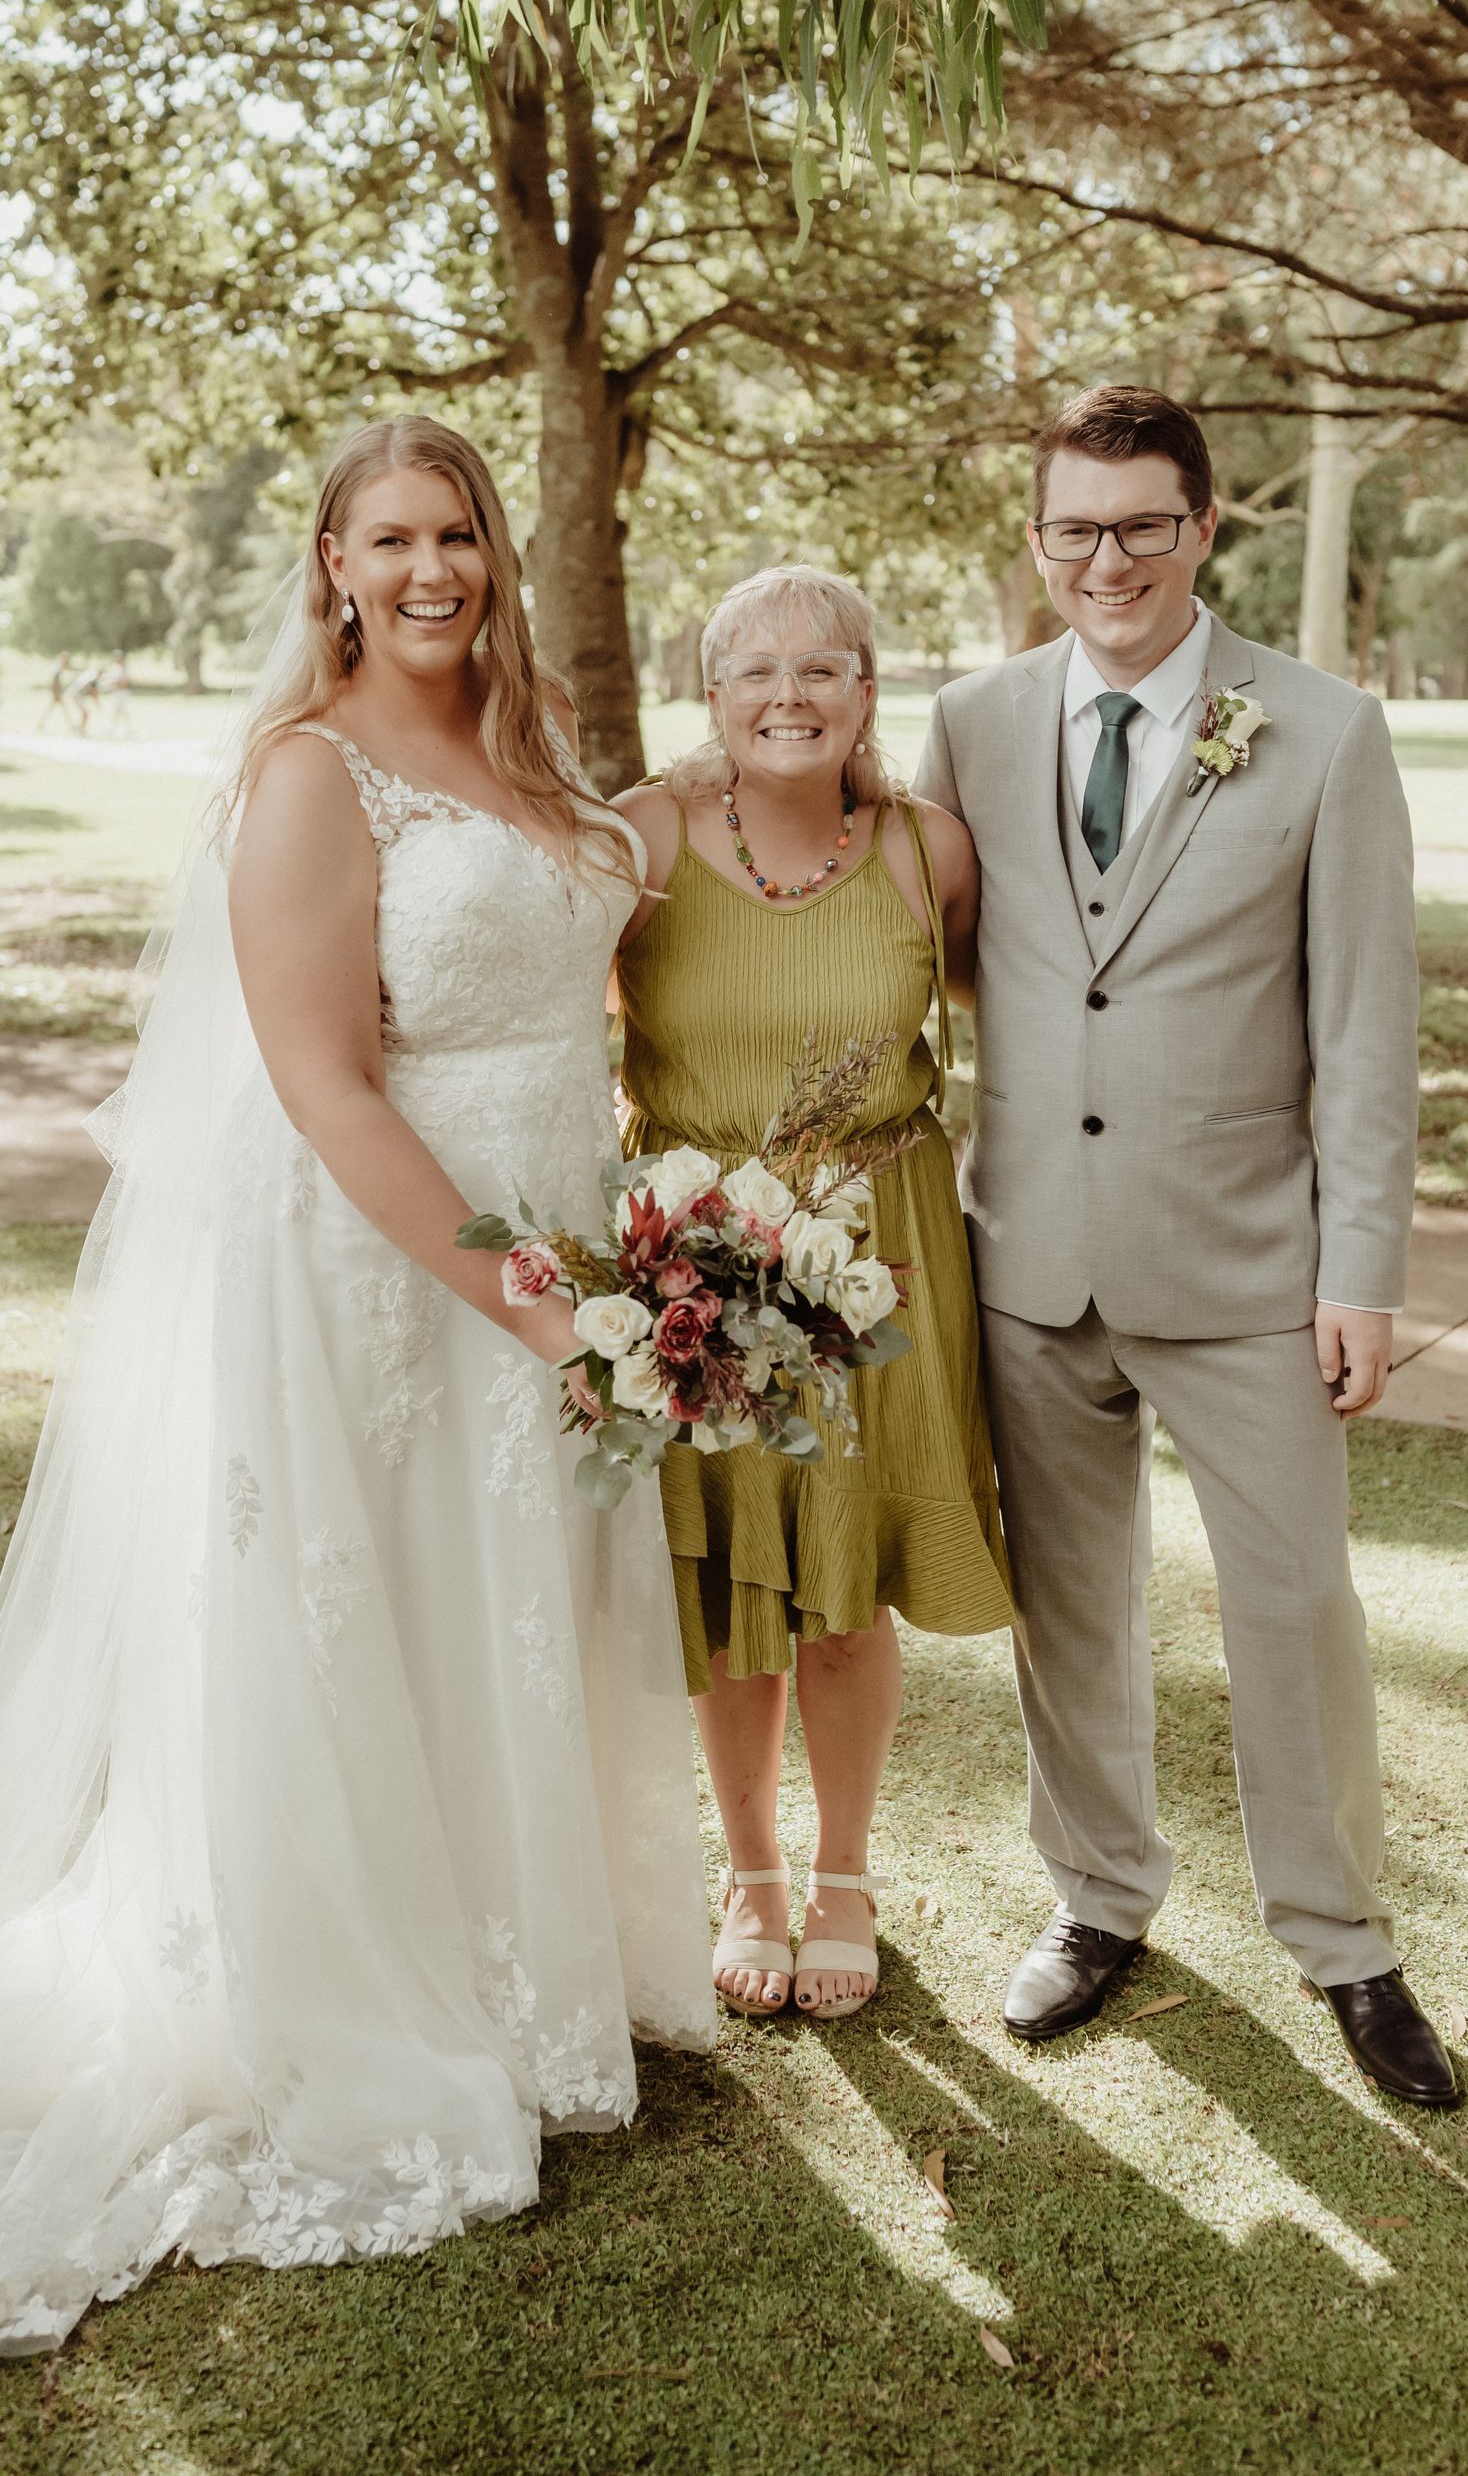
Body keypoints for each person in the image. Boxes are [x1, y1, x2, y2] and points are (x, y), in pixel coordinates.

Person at [0, 417, 713, 2409]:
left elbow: (621, 875)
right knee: (371, 1620)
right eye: (393, 540)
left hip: (560, 1254)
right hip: (396, 1274)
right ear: (333, 567)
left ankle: (521, 1971)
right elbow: (335, 1092)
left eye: (462, 535)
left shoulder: (530, 752)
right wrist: (550, 1312)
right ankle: (355, 1992)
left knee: (494, 1609)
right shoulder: (305, 777)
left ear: (498, 557)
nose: (434, 569)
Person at [915, 383, 1460, 2110]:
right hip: (1031, 1258)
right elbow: (935, 957)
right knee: (1069, 1609)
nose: (1109, 560)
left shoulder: (1322, 728)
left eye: (1144, 523)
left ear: (1205, 526)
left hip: (1248, 1266)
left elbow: (1367, 1025)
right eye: (1075, 527)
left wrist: (1359, 1266)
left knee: (1296, 1602)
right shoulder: (972, 722)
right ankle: (1097, 1898)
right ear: (1038, 541)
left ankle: (1345, 1937)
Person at [614, 567, 1012, 2021]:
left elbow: (1039, 1018)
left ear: (866, 690)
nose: (789, 694)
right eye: (753, 669)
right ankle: (752, 1870)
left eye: (823, 667)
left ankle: (842, 1868)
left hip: (884, 1256)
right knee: (733, 1580)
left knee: (847, 1587)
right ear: (709, 694)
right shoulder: (645, 837)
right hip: (694, 1254)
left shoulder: (930, 853)